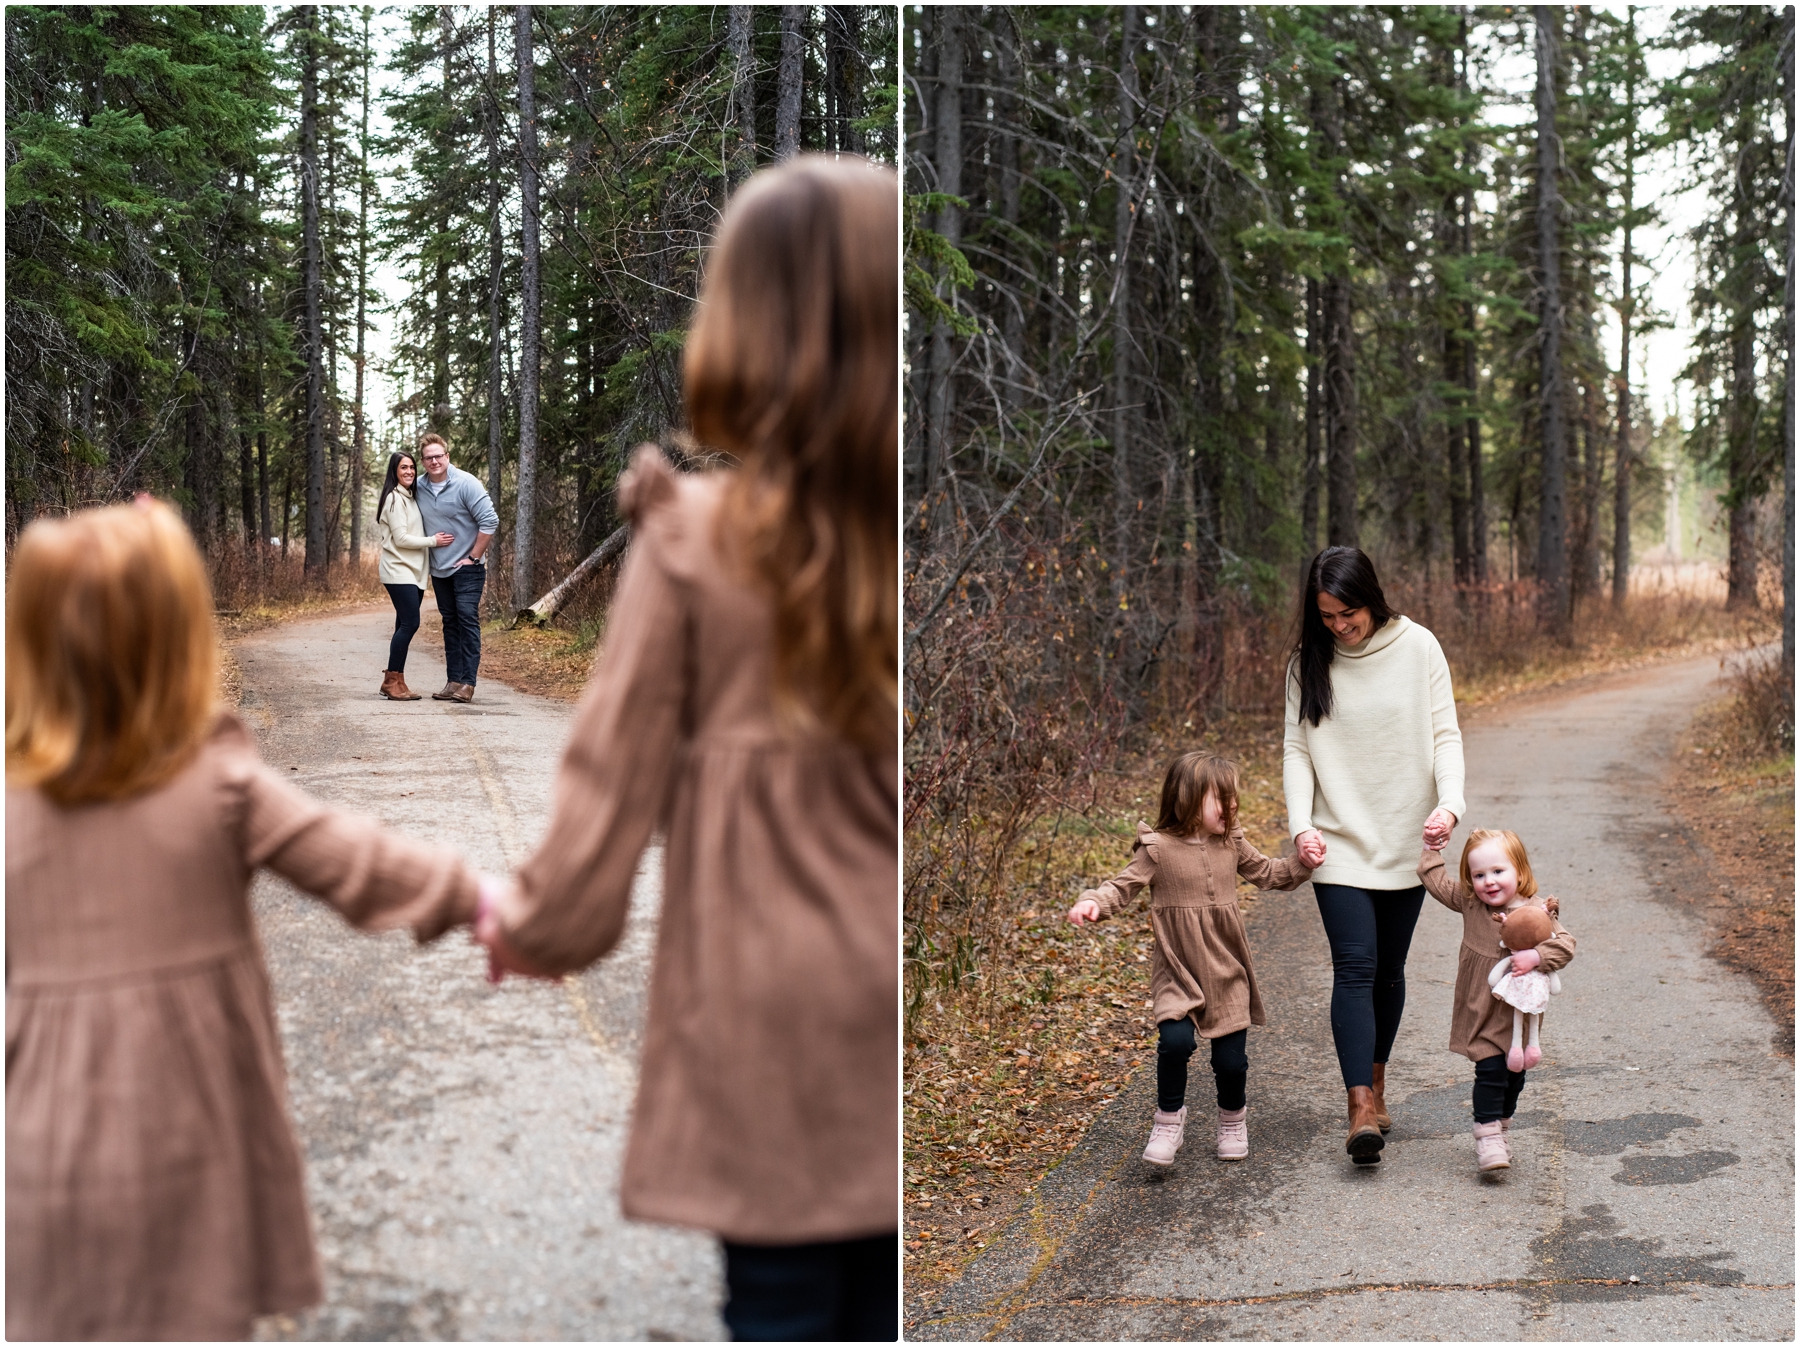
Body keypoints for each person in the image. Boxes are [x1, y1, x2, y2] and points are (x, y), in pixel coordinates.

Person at [474, 156, 897, 1341]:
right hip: (894, 1040)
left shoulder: (697, 542)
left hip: (766, 1041)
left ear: (741, 326)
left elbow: (606, 791)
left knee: (785, 1305)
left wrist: (538, 924)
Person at [5, 498, 481, 1341]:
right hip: (192, 1129)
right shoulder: (217, 784)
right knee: (196, 1309)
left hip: (39, 1145)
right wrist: (479, 899)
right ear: (181, 642)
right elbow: (354, 861)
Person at [1282, 545, 1466, 1166]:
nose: (1339, 626)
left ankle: (1378, 1084)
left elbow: (1445, 732)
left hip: (1405, 835)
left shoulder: (1419, 648)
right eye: (1327, 616)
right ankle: (1359, 1103)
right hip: (1337, 842)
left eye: (1348, 612)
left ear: (1371, 597)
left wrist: (1450, 804)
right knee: (1355, 965)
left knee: (1390, 969)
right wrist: (1300, 824)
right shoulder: (1307, 663)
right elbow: (1296, 750)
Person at [1067, 753, 1314, 1166]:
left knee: (1230, 1061)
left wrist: (1302, 862)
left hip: (1225, 968)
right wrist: (1093, 902)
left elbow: (1270, 873)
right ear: (1189, 799)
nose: (1233, 806)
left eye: (1234, 798)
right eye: (1223, 799)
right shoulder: (1157, 848)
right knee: (1174, 1043)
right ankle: (1167, 1121)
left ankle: (1233, 1120)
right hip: (1177, 970)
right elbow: (1121, 887)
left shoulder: (1231, 842)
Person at [1418, 830, 1574, 1173]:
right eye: (1478, 875)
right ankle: (1487, 1136)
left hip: (1517, 1018)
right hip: (1480, 1008)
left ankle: (1502, 1127)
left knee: (1514, 1076)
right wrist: (1432, 850)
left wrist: (1536, 955)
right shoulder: (1472, 904)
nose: (1488, 882)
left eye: (1498, 871)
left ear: (1520, 871)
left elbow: (1565, 945)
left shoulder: (1537, 912)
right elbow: (1436, 882)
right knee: (1490, 1069)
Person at [413, 432, 499, 703]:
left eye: (439, 456)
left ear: (447, 457)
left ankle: (468, 684)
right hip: (439, 569)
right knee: (449, 622)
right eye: (429, 458)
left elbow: (490, 520)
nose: (434, 461)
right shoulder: (419, 487)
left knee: (466, 617)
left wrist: (474, 557)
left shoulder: (466, 483)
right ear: (423, 462)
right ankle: (453, 681)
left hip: (468, 567)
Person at [375, 449, 453, 700]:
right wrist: (434, 541)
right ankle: (391, 681)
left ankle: (396, 680)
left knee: (403, 624)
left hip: (412, 572)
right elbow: (401, 538)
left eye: (411, 467)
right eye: (403, 468)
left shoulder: (409, 496)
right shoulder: (394, 499)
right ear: (394, 472)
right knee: (410, 623)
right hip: (398, 571)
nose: (409, 472)